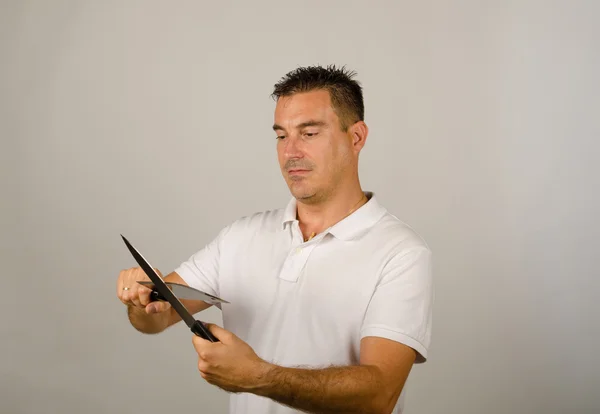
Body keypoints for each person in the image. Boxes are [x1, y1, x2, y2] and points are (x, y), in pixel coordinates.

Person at [116, 65, 433, 414]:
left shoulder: (401, 253)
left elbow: (380, 395)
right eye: (281, 136)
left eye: (309, 133)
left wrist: (258, 376)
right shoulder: (241, 237)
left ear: (356, 137)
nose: (290, 152)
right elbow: (155, 319)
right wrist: (139, 299)